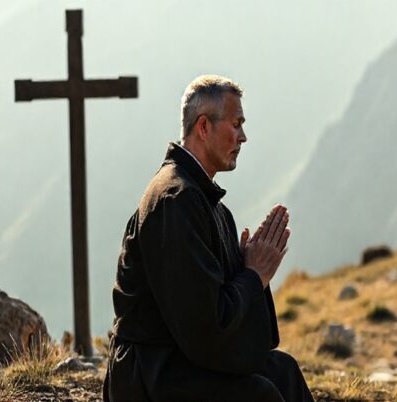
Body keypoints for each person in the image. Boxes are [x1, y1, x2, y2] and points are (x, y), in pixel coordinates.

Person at [104, 75, 314, 402]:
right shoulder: (175, 201)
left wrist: (246, 269)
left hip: (179, 358)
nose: (243, 136)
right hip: (149, 373)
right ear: (204, 127)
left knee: (283, 372)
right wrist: (254, 275)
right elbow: (204, 328)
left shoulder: (207, 203)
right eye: (236, 124)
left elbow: (218, 316)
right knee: (259, 395)